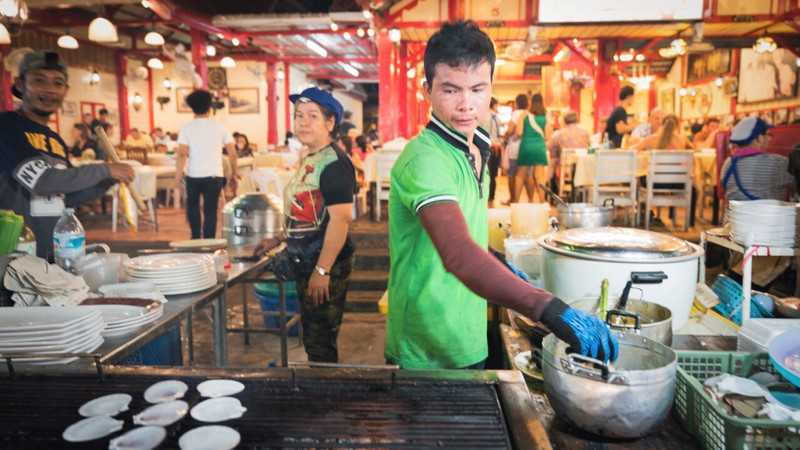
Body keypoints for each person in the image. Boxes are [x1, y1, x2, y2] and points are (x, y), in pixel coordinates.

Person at [385, 21, 618, 369]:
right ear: (426, 90)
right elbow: (459, 254)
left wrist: (497, 261)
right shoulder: (425, 159)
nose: (466, 104)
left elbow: (469, 236)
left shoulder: (478, 146)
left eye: (477, 89)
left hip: (468, 331)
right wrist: (547, 308)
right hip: (425, 347)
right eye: (450, 90)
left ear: (491, 86)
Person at [254, 87, 356, 363]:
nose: (303, 122)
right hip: (305, 257)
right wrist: (279, 238)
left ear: (330, 122)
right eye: (299, 115)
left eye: (313, 116)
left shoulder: (334, 164)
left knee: (320, 339)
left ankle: (326, 396)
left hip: (324, 262)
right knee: (312, 333)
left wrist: (322, 270)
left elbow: (340, 220)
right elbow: (305, 209)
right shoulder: (310, 158)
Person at [0, 51, 134, 259]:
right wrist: (104, 169)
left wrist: (107, 180)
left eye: (58, 83)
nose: (49, 90)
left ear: (65, 90)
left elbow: (67, 196)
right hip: (13, 256)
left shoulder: (56, 140)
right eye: (39, 80)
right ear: (19, 84)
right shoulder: (7, 127)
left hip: (51, 253)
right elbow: (43, 182)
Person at [175, 89, 237, 239]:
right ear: (210, 107)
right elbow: (232, 154)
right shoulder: (220, 127)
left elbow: (182, 154)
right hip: (214, 176)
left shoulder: (186, 128)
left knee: (193, 208)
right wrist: (233, 174)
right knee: (210, 210)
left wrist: (177, 177)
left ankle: (195, 238)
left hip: (193, 175)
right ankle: (209, 241)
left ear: (192, 108)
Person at [720, 117, 793, 201]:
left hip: (735, 214)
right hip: (769, 214)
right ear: (759, 138)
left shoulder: (727, 163)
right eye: (768, 134)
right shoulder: (778, 162)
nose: (769, 139)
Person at [514, 93, 551, 202]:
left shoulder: (525, 115)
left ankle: (515, 201)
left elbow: (519, 132)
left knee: (520, 175)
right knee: (540, 176)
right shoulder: (545, 116)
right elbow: (548, 136)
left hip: (526, 147)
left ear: (531, 102)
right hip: (539, 147)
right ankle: (542, 202)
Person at [548, 111, 589, 187]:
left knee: (553, 160)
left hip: (566, 168)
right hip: (582, 166)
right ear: (577, 119)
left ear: (564, 120)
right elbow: (588, 146)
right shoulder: (585, 133)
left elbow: (551, 148)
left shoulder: (559, 134)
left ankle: (552, 188)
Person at [502, 94, 528, 203]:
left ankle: (512, 198)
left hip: (514, 147)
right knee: (523, 174)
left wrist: (505, 137)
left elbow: (510, 129)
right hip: (525, 146)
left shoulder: (516, 114)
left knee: (511, 173)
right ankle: (521, 199)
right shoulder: (528, 114)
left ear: (517, 103)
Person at [486, 97, 502, 205]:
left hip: (486, 148)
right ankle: (491, 197)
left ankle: (486, 197)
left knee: (485, 174)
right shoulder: (496, 117)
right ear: (494, 105)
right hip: (495, 148)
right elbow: (497, 134)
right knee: (493, 175)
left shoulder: (482, 116)